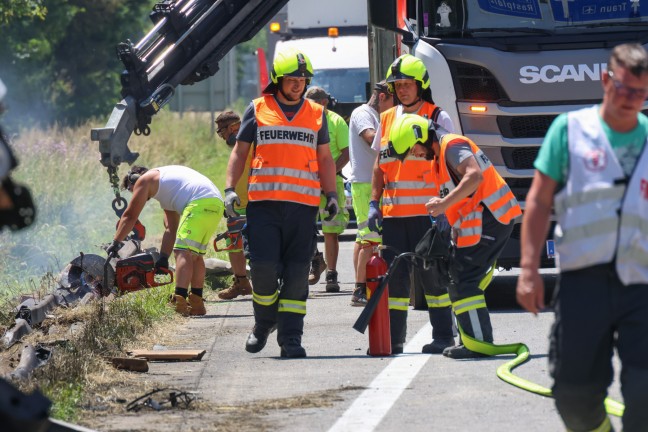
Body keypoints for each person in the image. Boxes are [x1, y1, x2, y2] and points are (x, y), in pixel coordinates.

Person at [516, 43, 648, 431]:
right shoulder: (570, 131)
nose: (629, 100)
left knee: (645, 394)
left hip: (643, 284)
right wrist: (528, 269)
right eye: (621, 89)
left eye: (639, 93)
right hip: (583, 281)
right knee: (573, 395)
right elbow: (539, 202)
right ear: (605, 80)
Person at [224, 48, 338, 358]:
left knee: (298, 272)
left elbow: (324, 157)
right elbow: (239, 151)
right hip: (264, 206)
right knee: (262, 269)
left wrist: (332, 195)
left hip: (302, 208)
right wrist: (230, 189)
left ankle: (291, 339)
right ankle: (263, 324)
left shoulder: (316, 113)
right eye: (292, 79)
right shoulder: (258, 108)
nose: (298, 84)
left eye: (303, 79)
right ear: (277, 80)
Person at [386, 113, 522, 359]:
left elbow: (474, 176)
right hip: (480, 224)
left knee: (465, 281)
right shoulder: (440, 158)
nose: (415, 155)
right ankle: (471, 340)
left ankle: (478, 343)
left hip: (493, 218)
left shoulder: (453, 144)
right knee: (458, 278)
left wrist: (443, 203)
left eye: (413, 149)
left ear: (421, 137)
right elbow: (463, 198)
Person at [368, 54, 456, 354]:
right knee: (395, 284)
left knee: (433, 279)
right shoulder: (387, 118)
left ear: (421, 85)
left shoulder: (437, 117)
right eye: (397, 85)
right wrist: (373, 204)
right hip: (394, 216)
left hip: (429, 216)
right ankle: (393, 340)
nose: (401, 90)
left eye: (407, 84)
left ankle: (444, 335)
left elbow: (450, 162)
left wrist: (447, 208)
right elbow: (380, 165)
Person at [107, 165, 224, 316]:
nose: (135, 195)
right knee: (195, 256)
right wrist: (163, 258)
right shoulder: (168, 189)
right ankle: (196, 303)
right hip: (215, 203)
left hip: (199, 203)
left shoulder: (144, 180)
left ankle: (179, 300)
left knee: (182, 252)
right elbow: (171, 229)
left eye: (132, 190)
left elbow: (130, 216)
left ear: (136, 179)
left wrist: (116, 242)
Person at [347, 80, 394, 306]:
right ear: (383, 97)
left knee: (364, 237)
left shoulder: (378, 115)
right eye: (394, 101)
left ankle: (364, 286)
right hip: (365, 184)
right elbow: (370, 138)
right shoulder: (362, 114)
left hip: (372, 182)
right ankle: (359, 291)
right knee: (369, 237)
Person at [304, 86, 350, 292]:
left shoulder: (336, 121)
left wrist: (328, 176)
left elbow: (346, 153)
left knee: (331, 230)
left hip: (331, 183)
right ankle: (314, 261)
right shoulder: (303, 119)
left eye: (312, 104)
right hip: (306, 182)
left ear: (323, 103)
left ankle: (331, 273)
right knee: (304, 228)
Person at [214, 111, 253, 300]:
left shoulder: (251, 140)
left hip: (253, 201)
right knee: (233, 243)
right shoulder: (240, 145)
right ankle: (241, 283)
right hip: (238, 201)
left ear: (232, 128)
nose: (221, 137)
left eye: (221, 132)